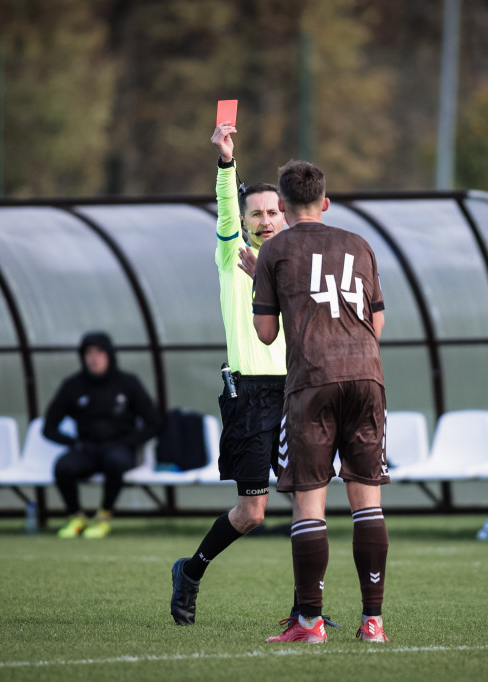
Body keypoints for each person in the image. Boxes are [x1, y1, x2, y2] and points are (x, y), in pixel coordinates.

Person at [253, 159, 390, 643]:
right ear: (325, 203)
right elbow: (375, 325)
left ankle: (310, 622)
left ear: (284, 207)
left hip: (313, 380)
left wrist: (262, 281)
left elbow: (266, 335)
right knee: (367, 502)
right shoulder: (360, 244)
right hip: (367, 378)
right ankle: (372, 622)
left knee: (310, 501)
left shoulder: (274, 250)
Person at [170, 121, 292, 625]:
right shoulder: (232, 256)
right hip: (250, 395)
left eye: (274, 212)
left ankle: (307, 610)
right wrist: (226, 163)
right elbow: (224, 208)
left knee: (308, 503)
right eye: (256, 214)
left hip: (298, 392)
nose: (266, 221)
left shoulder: (298, 263)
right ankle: (191, 571)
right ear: (243, 221)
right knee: (252, 514)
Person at [46, 331, 161, 539]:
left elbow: (154, 423)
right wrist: (74, 443)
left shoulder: (128, 383)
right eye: (88, 352)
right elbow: (49, 427)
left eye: (99, 352)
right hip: (88, 449)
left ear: (109, 354)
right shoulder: (73, 386)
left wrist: (128, 442)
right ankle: (77, 517)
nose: (94, 357)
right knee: (63, 466)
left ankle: (103, 517)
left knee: (115, 462)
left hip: (120, 448)